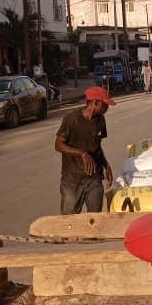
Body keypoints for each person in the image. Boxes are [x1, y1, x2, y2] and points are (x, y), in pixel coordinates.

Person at [55, 86, 116, 214]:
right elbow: (58, 145)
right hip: (72, 181)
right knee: (69, 223)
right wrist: (82, 153)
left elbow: (97, 146)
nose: (107, 108)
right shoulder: (71, 119)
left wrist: (106, 164)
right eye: (105, 104)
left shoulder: (100, 120)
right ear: (95, 103)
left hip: (94, 180)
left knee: (94, 221)